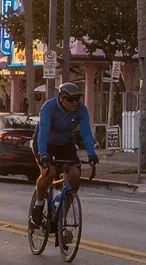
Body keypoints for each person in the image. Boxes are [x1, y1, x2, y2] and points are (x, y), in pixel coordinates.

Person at [31, 81, 97, 227]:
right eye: (71, 100)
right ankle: (39, 204)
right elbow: (43, 131)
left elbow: (86, 133)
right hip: (45, 142)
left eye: (77, 99)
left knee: (75, 176)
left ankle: (60, 217)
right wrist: (43, 154)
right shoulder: (49, 107)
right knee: (49, 172)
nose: (75, 103)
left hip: (65, 143)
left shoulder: (81, 109)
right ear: (62, 98)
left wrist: (92, 153)